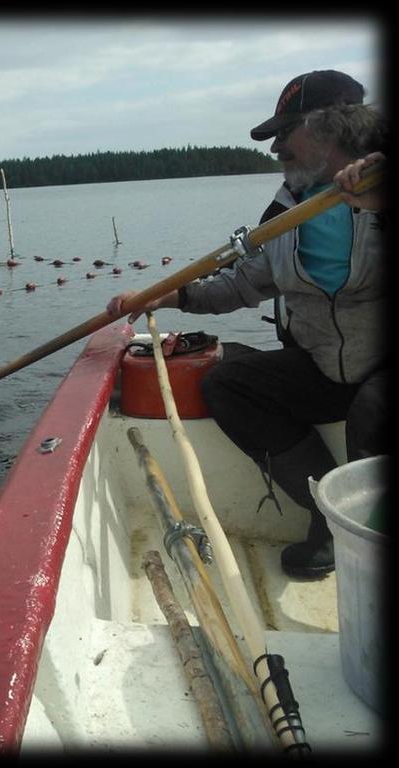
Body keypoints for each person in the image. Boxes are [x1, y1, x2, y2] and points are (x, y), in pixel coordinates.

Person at [106, 70, 387, 579]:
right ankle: (332, 518)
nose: (276, 147)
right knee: (231, 385)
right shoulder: (287, 210)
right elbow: (243, 281)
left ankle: (373, 542)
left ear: (333, 126)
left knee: (375, 409)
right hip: (324, 366)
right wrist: (175, 294)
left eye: (287, 131)